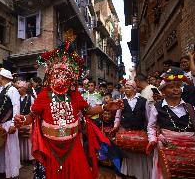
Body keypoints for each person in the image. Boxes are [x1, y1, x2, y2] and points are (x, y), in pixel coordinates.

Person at [14, 39, 123, 179]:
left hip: (72, 146)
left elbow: (88, 110)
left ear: (72, 77)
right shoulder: (44, 95)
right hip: (50, 147)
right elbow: (32, 115)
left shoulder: (75, 94)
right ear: (50, 75)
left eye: (66, 74)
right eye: (58, 74)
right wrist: (23, 119)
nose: (61, 77)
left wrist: (105, 107)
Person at [146, 67, 195, 179]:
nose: (176, 89)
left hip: (191, 151)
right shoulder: (157, 107)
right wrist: (152, 140)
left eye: (178, 86)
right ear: (164, 91)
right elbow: (151, 127)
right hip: (167, 149)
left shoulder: (190, 108)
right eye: (171, 87)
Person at [110, 80, 152, 179]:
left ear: (134, 88)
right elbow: (117, 117)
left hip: (140, 134)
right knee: (126, 156)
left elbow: (148, 118)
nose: (126, 89)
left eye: (129, 87)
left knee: (138, 156)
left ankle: (139, 175)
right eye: (125, 87)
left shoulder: (143, 101)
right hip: (125, 133)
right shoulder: (121, 101)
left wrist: (148, 132)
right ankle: (125, 174)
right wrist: (116, 127)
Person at [0, 68, 21, 179]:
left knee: (9, 148)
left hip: (8, 123)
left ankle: (11, 172)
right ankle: (2, 170)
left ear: (3, 78)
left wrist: (13, 124)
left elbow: (16, 107)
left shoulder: (13, 90)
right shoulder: (1, 89)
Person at [17, 80, 34, 162]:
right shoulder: (17, 97)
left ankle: (29, 157)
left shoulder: (31, 98)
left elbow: (33, 110)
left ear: (24, 88)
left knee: (27, 139)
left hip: (28, 121)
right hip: (19, 121)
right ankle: (21, 157)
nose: (18, 89)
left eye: (19, 88)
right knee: (20, 139)